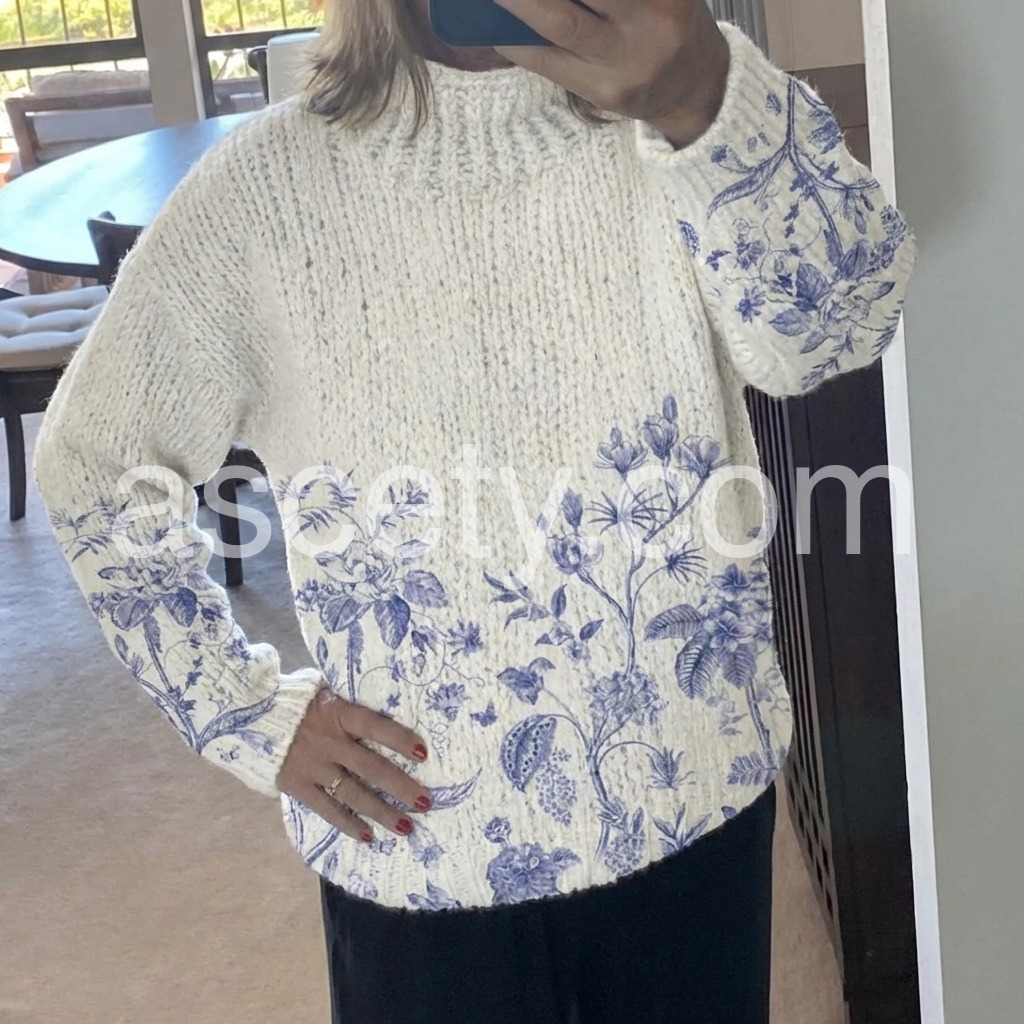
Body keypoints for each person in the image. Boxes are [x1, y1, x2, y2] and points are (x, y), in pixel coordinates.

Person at [33, 0, 917, 1020]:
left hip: (691, 791)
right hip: (417, 843)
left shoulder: (690, 115)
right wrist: (240, 709)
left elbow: (839, 330)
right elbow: (95, 458)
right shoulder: (263, 192)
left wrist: (705, 99)